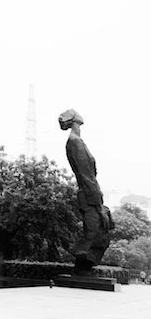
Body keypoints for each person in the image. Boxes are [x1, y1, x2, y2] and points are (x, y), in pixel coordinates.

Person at [59, 109, 113, 271]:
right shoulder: (75, 142)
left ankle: (84, 264)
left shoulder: (76, 141)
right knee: (96, 232)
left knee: (102, 228)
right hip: (89, 196)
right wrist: (98, 206)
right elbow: (86, 175)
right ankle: (82, 257)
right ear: (75, 120)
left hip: (89, 193)